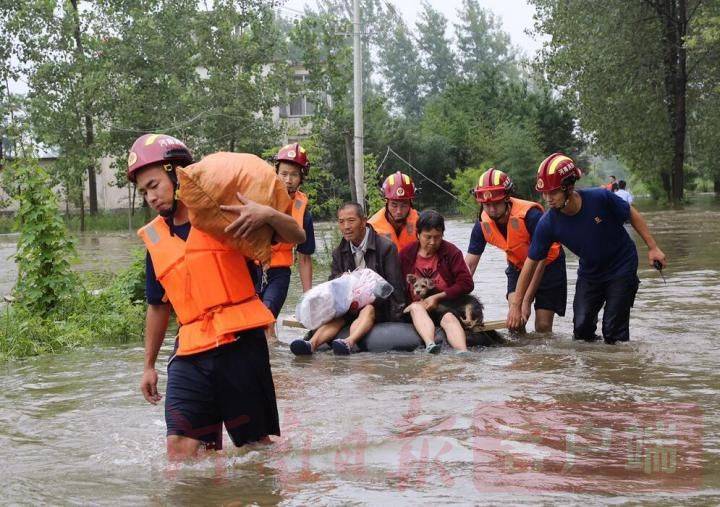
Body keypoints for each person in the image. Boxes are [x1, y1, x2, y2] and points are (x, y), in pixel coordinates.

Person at [130, 133, 305, 459]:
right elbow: (157, 306)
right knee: (180, 450)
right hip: (190, 351)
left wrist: (266, 215)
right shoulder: (155, 238)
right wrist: (149, 365)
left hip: (240, 344)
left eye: (154, 185)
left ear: (176, 173)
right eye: (144, 192)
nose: (150, 197)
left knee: (255, 451)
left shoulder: (222, 213)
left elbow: (297, 235)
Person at [507, 153, 667, 344]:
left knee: (613, 332)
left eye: (553, 192)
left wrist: (653, 247)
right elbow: (530, 263)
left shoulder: (600, 198)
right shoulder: (548, 223)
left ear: (569, 187)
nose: (547, 198)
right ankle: (595, 368)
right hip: (590, 272)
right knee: (582, 331)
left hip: (621, 266)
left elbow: (631, 214)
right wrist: (517, 305)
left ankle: (620, 369)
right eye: (544, 193)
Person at [289, 202, 406, 356]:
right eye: (341, 221)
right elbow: (332, 284)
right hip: (348, 306)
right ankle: (311, 344)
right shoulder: (339, 252)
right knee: (336, 317)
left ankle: (349, 342)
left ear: (364, 221)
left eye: (351, 221)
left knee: (368, 309)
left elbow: (395, 288)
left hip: (378, 306)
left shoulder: (386, 248)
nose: (346, 226)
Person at [465, 168, 567, 333]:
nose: (491, 210)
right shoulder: (481, 224)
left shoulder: (531, 216)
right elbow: (469, 265)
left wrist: (525, 301)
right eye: (486, 205)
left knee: (542, 326)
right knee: (515, 321)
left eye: (496, 203)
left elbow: (540, 260)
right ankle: (522, 356)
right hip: (517, 267)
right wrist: (455, 298)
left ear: (507, 198)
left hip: (548, 266)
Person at [256, 143, 315, 336]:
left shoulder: (303, 210)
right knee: (254, 323)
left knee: (266, 317)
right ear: (276, 173)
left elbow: (305, 257)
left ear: (301, 178)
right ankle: (272, 359)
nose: (288, 180)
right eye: (284, 174)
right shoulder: (259, 198)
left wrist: (308, 297)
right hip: (252, 269)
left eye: (294, 175)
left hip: (279, 273)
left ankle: (272, 360)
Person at [401, 210, 474, 353]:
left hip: (443, 306)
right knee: (416, 308)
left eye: (437, 237)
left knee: (449, 318)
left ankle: (463, 352)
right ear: (418, 234)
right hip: (417, 307)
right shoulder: (406, 254)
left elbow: (466, 283)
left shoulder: (451, 252)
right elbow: (396, 284)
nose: (433, 242)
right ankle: (430, 344)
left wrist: (438, 296)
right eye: (428, 237)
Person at [368, 171, 420, 253]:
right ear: (386, 203)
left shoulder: (421, 223)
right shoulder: (371, 227)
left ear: (411, 203)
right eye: (394, 205)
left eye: (404, 205)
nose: (399, 211)